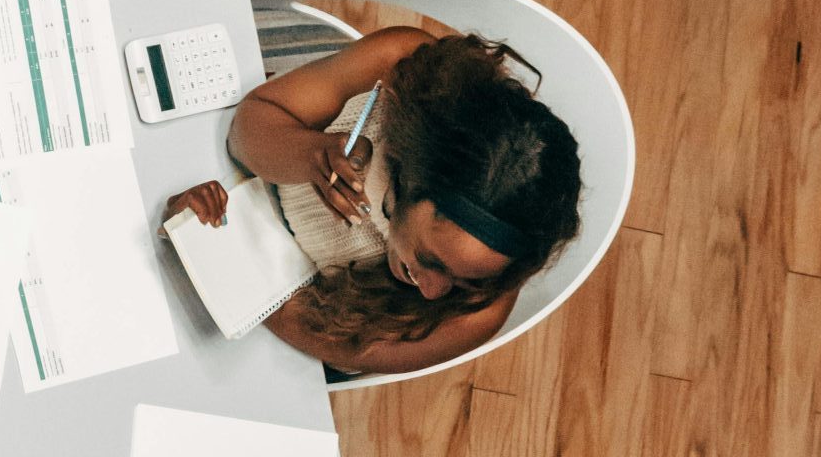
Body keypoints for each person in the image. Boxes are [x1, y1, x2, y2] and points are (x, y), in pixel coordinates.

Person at [165, 26, 583, 377]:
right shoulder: (397, 66)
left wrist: (215, 257)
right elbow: (246, 129)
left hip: (270, 315)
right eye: (432, 260)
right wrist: (308, 154)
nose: (435, 294)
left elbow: (336, 345)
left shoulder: (482, 310)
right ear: (407, 175)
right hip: (221, 178)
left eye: (466, 282)